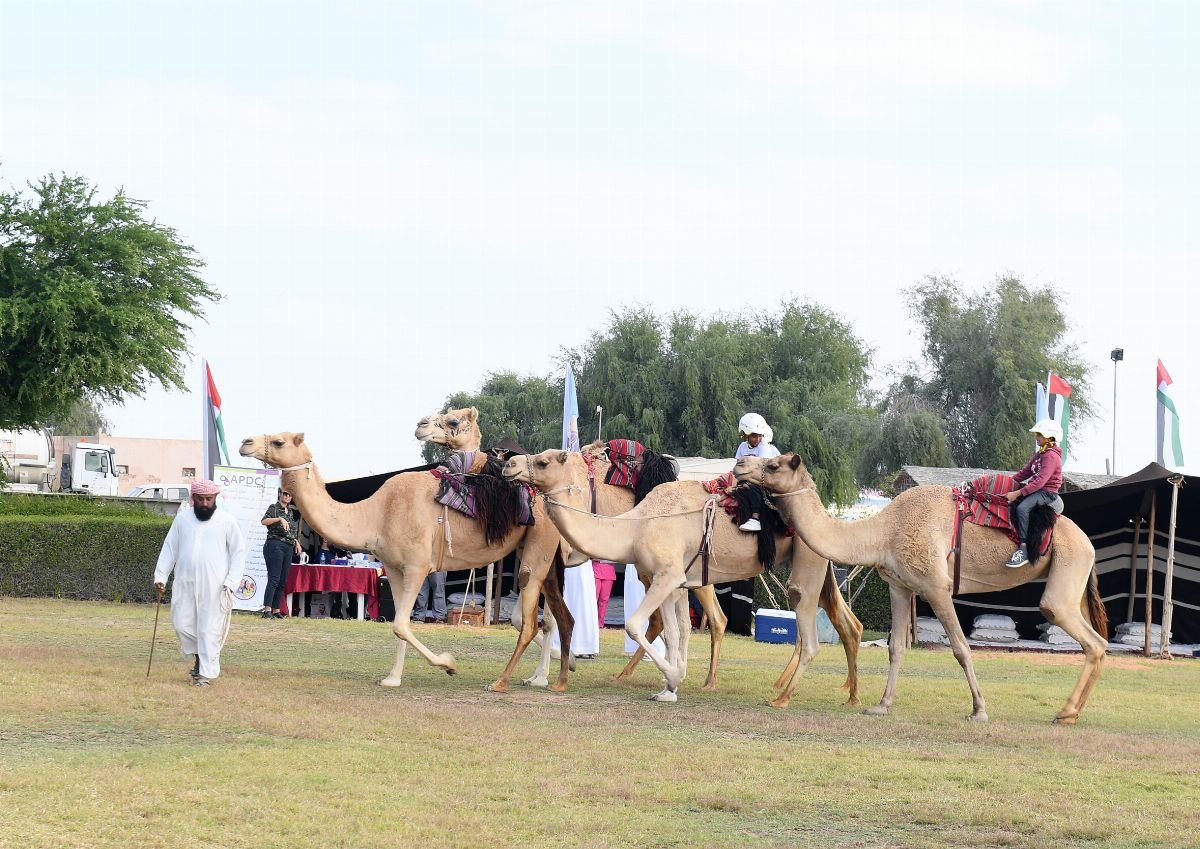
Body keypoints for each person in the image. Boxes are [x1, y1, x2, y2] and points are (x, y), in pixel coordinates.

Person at [152, 479, 247, 687]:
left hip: (215, 586)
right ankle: (198, 658)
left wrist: (231, 582)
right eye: (201, 499)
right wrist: (161, 577)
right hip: (185, 582)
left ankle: (204, 674)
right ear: (193, 499)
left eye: (209, 499)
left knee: (208, 629)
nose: (205, 503)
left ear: (215, 499)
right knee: (182, 624)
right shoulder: (182, 520)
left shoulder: (226, 521)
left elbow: (239, 552)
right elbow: (170, 548)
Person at [1005, 419, 1066, 568]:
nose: (1036, 437)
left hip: (1047, 493)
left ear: (1049, 436)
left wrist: (1017, 493)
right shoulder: (1041, 453)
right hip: (1038, 489)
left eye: (1039, 434)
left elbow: (1040, 481)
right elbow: (1025, 472)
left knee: (1022, 508)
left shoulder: (1051, 456)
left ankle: (1024, 549)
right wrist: (1007, 482)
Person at [733, 413, 781, 531]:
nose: (758, 439)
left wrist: (747, 482)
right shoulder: (742, 447)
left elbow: (762, 470)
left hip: (762, 480)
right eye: (754, 436)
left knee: (753, 488)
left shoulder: (764, 447)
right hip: (746, 478)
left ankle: (755, 518)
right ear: (745, 435)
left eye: (760, 436)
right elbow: (738, 465)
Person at [260, 489, 302, 618]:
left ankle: (276, 610)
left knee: (283, 580)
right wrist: (279, 519)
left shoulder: (289, 512)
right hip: (275, 544)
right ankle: (267, 609)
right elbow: (264, 521)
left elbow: (290, 532)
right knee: (274, 578)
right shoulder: (274, 508)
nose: (288, 496)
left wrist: (296, 542)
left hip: (288, 546)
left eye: (290, 494)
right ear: (280, 494)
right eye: (285, 494)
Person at [593, 560, 618, 628]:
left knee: (604, 600)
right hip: (596, 570)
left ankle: (600, 623)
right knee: (593, 599)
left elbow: (617, 558)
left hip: (609, 573)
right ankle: (591, 621)